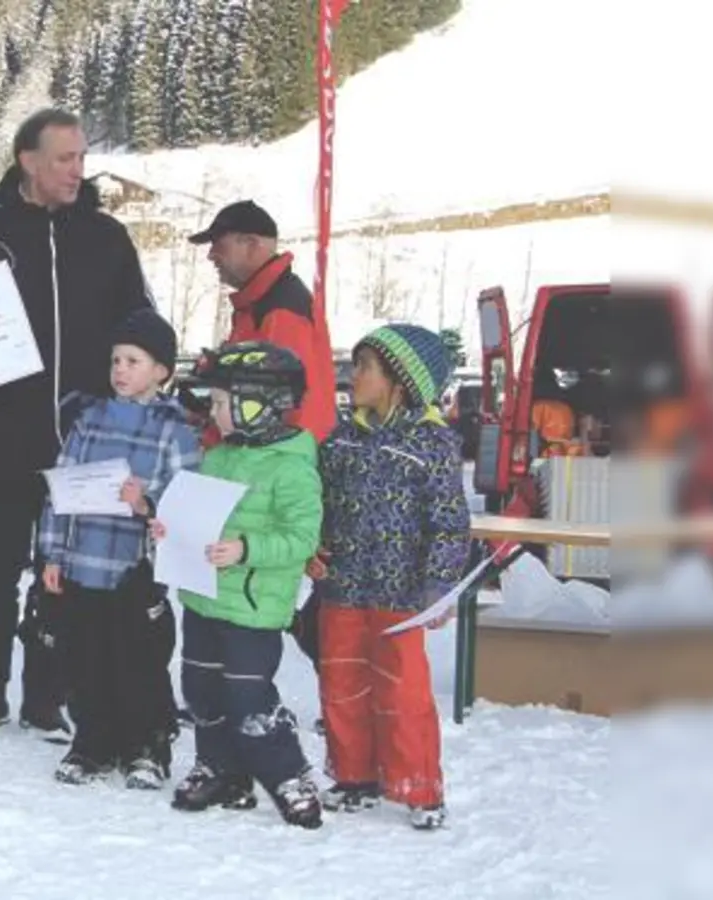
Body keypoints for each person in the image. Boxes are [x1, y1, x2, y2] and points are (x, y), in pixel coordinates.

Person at [0, 107, 155, 736]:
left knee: (67, 573)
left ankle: (49, 693)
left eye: (82, 158)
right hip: (3, 433)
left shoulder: (108, 237)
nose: (77, 171)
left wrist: (137, 407)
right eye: (64, 159)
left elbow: (140, 324)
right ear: (28, 161)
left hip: (85, 440)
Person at [152, 341, 324, 830]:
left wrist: (246, 549)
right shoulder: (219, 456)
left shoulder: (291, 467)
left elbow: (301, 537)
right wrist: (172, 528)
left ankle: (288, 775)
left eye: (223, 403)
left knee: (248, 698)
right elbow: (200, 514)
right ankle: (220, 769)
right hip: (204, 598)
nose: (214, 412)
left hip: (252, 608)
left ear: (258, 405)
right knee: (201, 690)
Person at [316, 324, 468, 831]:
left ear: (399, 381)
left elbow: (449, 522)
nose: (351, 375)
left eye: (364, 367)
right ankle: (353, 777)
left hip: (400, 594)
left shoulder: (432, 444)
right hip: (343, 587)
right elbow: (319, 505)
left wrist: (439, 584)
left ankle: (419, 787)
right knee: (342, 685)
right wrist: (313, 548)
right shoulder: (341, 441)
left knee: (403, 694)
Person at [38, 308, 196, 788]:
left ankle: (146, 746)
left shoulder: (175, 431)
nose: (120, 370)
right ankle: (92, 743)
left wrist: (146, 503)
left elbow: (188, 502)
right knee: (85, 658)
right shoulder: (88, 421)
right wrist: (52, 554)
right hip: (84, 563)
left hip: (135, 572)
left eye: (133, 361)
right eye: (115, 361)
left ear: (161, 370)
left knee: (138, 662)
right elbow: (59, 491)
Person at [188, 200, 337, 672]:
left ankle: (254, 694)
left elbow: (279, 403)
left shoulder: (282, 309)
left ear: (251, 244)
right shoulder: (258, 304)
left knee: (260, 618)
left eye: (219, 244)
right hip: (257, 467)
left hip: (273, 474)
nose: (212, 256)